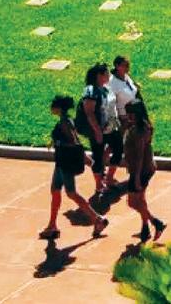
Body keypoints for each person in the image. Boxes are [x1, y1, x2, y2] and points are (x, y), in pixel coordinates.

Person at [42, 95, 108, 239]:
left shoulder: (65, 122)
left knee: (72, 193)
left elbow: (74, 142)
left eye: (53, 105)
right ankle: (52, 225)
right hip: (60, 163)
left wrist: (59, 143)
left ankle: (98, 220)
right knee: (55, 191)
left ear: (59, 108)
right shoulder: (66, 121)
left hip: (65, 164)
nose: (51, 107)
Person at [123, 100, 166, 242]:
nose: (129, 116)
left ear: (138, 113)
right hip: (144, 168)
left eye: (132, 113)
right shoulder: (141, 126)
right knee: (140, 200)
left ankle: (156, 223)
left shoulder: (140, 131)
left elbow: (140, 155)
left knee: (132, 202)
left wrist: (136, 177)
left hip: (140, 170)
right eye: (128, 113)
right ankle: (145, 228)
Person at [78, 62, 121, 196]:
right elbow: (89, 112)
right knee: (97, 155)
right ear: (99, 75)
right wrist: (97, 131)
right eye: (106, 73)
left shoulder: (105, 88)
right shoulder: (91, 91)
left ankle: (108, 178)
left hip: (110, 127)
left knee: (119, 148)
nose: (109, 75)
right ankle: (98, 185)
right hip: (97, 130)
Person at [107, 55, 139, 126]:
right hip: (124, 117)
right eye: (125, 65)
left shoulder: (126, 76)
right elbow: (111, 103)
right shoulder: (112, 83)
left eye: (128, 65)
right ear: (117, 66)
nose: (127, 68)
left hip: (135, 112)